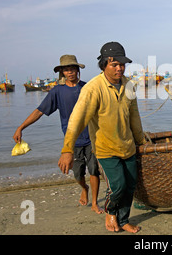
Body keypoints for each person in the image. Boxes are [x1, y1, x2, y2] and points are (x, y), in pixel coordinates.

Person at [58, 42, 146, 234]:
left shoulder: (129, 85)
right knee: (118, 185)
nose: (119, 68)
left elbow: (134, 118)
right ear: (104, 64)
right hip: (105, 148)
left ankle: (123, 219)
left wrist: (142, 141)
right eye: (114, 64)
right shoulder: (93, 88)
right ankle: (110, 212)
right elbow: (77, 120)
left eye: (122, 64)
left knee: (130, 186)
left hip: (127, 146)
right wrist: (67, 149)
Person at [13, 55, 103, 215]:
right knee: (77, 174)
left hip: (92, 138)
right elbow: (39, 111)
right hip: (72, 141)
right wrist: (21, 127)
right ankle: (84, 188)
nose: (71, 72)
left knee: (94, 170)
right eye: (67, 69)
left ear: (78, 70)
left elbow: (102, 109)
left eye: (73, 68)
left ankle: (95, 202)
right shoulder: (57, 91)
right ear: (62, 72)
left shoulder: (87, 87)